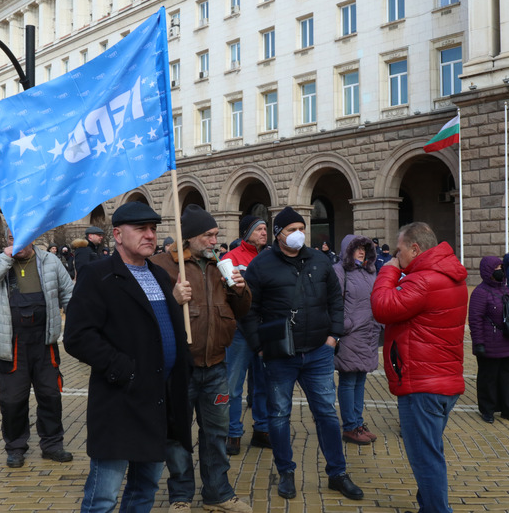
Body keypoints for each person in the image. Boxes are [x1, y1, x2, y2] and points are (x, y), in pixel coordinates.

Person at [63, 202, 192, 512]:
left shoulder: (160, 275)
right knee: (104, 494)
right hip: (120, 398)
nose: (150, 235)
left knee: (144, 488)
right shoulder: (98, 275)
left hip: (159, 400)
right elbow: (78, 337)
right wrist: (122, 368)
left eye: (153, 229)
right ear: (118, 234)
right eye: (141, 229)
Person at [240, 206, 363, 501]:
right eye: (291, 229)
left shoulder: (320, 261)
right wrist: (258, 346)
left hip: (319, 352)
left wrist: (334, 336)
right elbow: (248, 309)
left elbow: (336, 300)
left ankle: (338, 473)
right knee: (279, 416)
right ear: (277, 234)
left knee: (326, 414)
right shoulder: (262, 265)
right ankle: (286, 472)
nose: (298, 234)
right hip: (279, 355)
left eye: (301, 228)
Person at [149, 205, 253, 513]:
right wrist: (172, 298)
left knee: (217, 434)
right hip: (180, 369)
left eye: (216, 235)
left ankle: (218, 493)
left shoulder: (219, 265)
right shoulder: (162, 266)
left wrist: (240, 290)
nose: (214, 241)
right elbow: (146, 312)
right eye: (208, 235)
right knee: (178, 435)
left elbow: (242, 310)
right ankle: (180, 496)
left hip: (217, 365)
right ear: (190, 237)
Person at [371, 221, 468, 513]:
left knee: (426, 458)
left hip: (423, 384)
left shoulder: (424, 280)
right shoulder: (450, 274)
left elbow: (382, 306)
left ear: (415, 248)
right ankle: (429, 506)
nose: (395, 256)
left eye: (399, 250)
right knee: (431, 453)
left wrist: (388, 271)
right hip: (443, 380)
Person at [0, 226, 75, 469]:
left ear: (32, 237)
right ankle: (16, 447)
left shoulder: (51, 261)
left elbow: (69, 295)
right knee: (12, 399)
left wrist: (80, 325)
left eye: (21, 237)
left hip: (44, 341)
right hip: (12, 342)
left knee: (50, 395)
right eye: (10, 238)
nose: (16, 242)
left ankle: (52, 445)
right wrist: (5, 258)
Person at [223, 215, 273, 456]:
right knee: (233, 385)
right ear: (246, 233)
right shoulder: (230, 258)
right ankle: (233, 432)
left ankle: (262, 429)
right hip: (239, 332)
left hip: (263, 330)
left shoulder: (271, 257)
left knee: (262, 383)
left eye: (265, 229)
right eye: (259, 229)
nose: (264, 232)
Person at [333, 234, 383, 445]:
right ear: (348, 250)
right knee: (348, 380)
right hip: (350, 334)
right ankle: (350, 426)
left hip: (368, 333)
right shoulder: (340, 270)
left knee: (360, 379)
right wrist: (345, 325)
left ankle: (358, 423)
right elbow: (334, 301)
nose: (362, 251)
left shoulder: (369, 271)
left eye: (364, 248)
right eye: (357, 248)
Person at [469, 256, 509, 425]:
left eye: (501, 267)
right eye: (496, 268)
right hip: (489, 343)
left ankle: (507, 409)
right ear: (488, 271)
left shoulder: (505, 289)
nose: (500, 270)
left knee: (505, 377)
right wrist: (478, 343)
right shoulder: (480, 292)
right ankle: (487, 409)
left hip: (508, 341)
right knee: (488, 377)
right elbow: (475, 320)